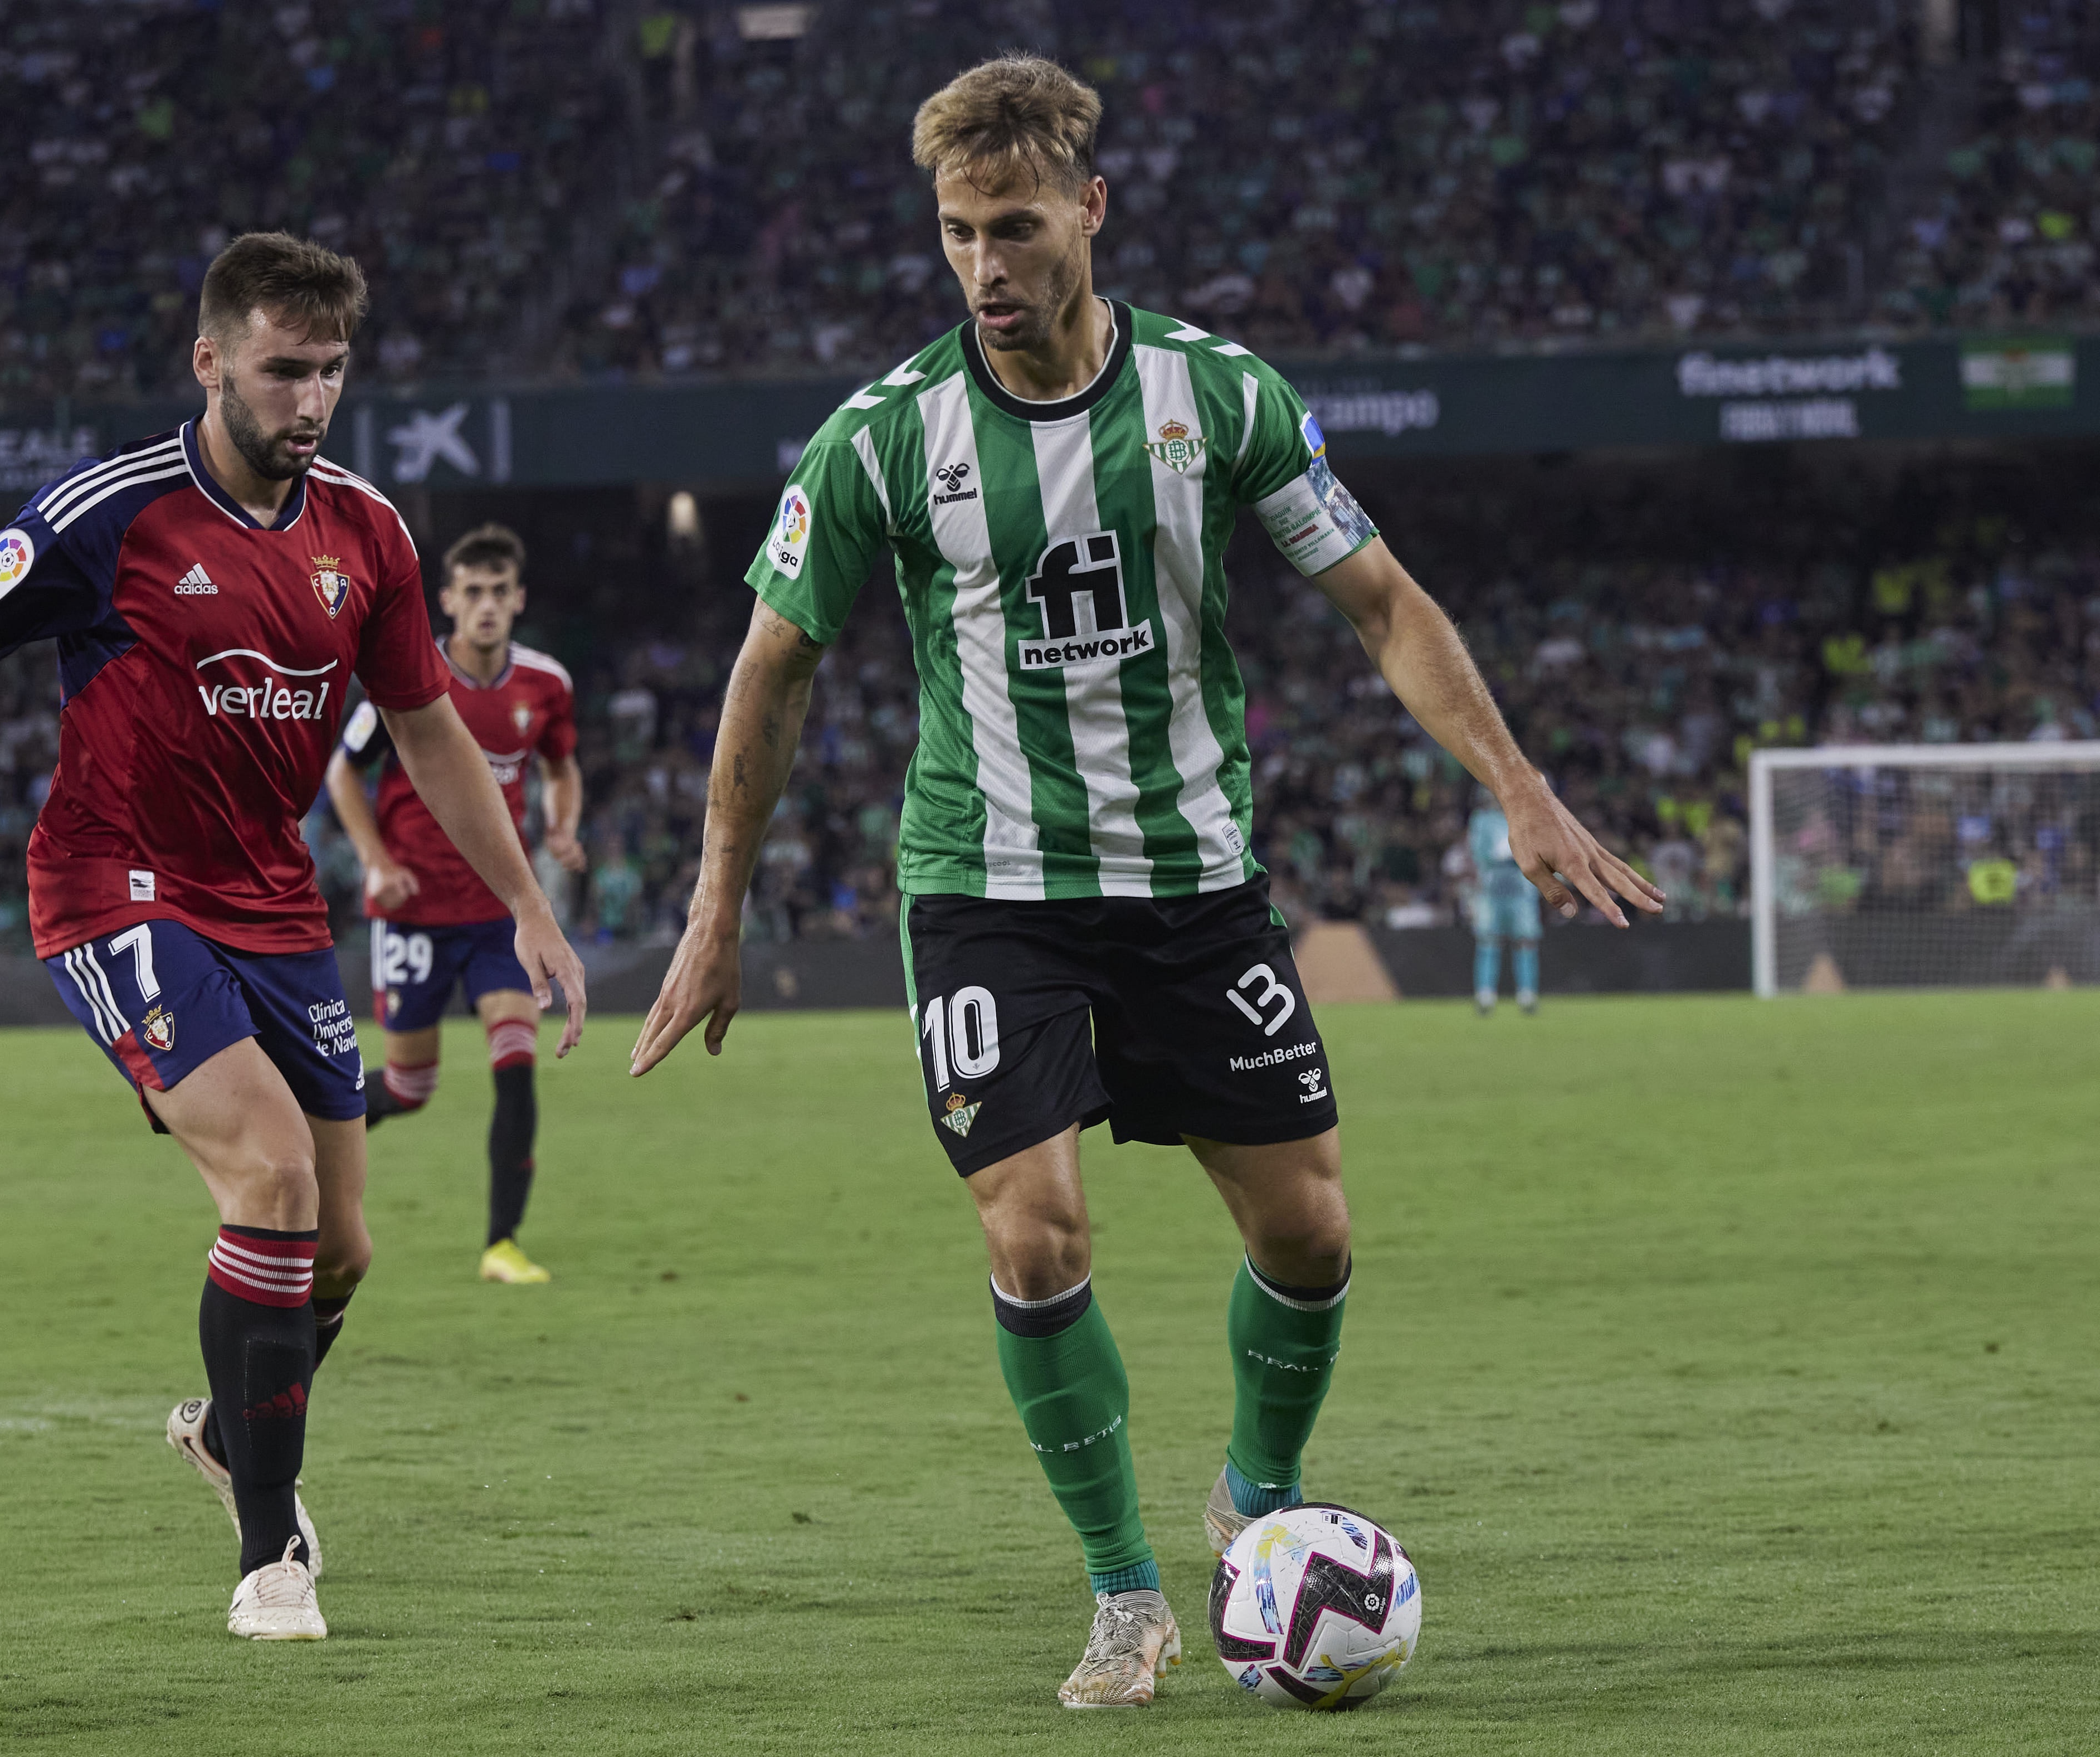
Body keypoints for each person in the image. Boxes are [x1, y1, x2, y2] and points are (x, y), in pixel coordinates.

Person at [631, 55, 1659, 1711]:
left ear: (1088, 213)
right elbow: (772, 665)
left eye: (1015, 226)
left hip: (1190, 885)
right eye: (958, 232)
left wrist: (1519, 788)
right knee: (1034, 1240)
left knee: (1310, 1234)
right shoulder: (885, 440)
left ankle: (1254, 1494)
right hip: (985, 891)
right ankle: (1122, 1593)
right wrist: (715, 904)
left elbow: (1384, 603)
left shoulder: (1219, 397)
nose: (983, 264)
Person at [0, 232, 585, 1644]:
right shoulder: (112, 514)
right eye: (282, 369)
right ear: (211, 361)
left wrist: (531, 905)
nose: (310, 401)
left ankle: (235, 1435)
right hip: (114, 888)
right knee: (274, 1173)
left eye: (331, 372)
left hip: (275, 908)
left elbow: (424, 727)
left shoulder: (365, 533)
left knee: (345, 1249)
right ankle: (268, 1560)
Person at [325, 523, 584, 1284]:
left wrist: (563, 827)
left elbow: (561, 769)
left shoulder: (546, 685)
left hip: (497, 918)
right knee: (409, 1088)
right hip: (412, 915)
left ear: (518, 600)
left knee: (515, 1061)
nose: (486, 606)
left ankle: (501, 1243)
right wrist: (376, 862)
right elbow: (344, 773)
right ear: (446, 600)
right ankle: (306, 1131)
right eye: (471, 592)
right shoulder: (412, 674)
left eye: (499, 593)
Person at [1466, 787, 1542, 1014]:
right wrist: (1500, 855)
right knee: (1489, 940)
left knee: (1526, 940)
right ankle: (1485, 995)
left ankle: (1527, 995)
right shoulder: (1482, 821)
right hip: (1492, 889)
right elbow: (1478, 853)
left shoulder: (1526, 820)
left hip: (1521, 889)